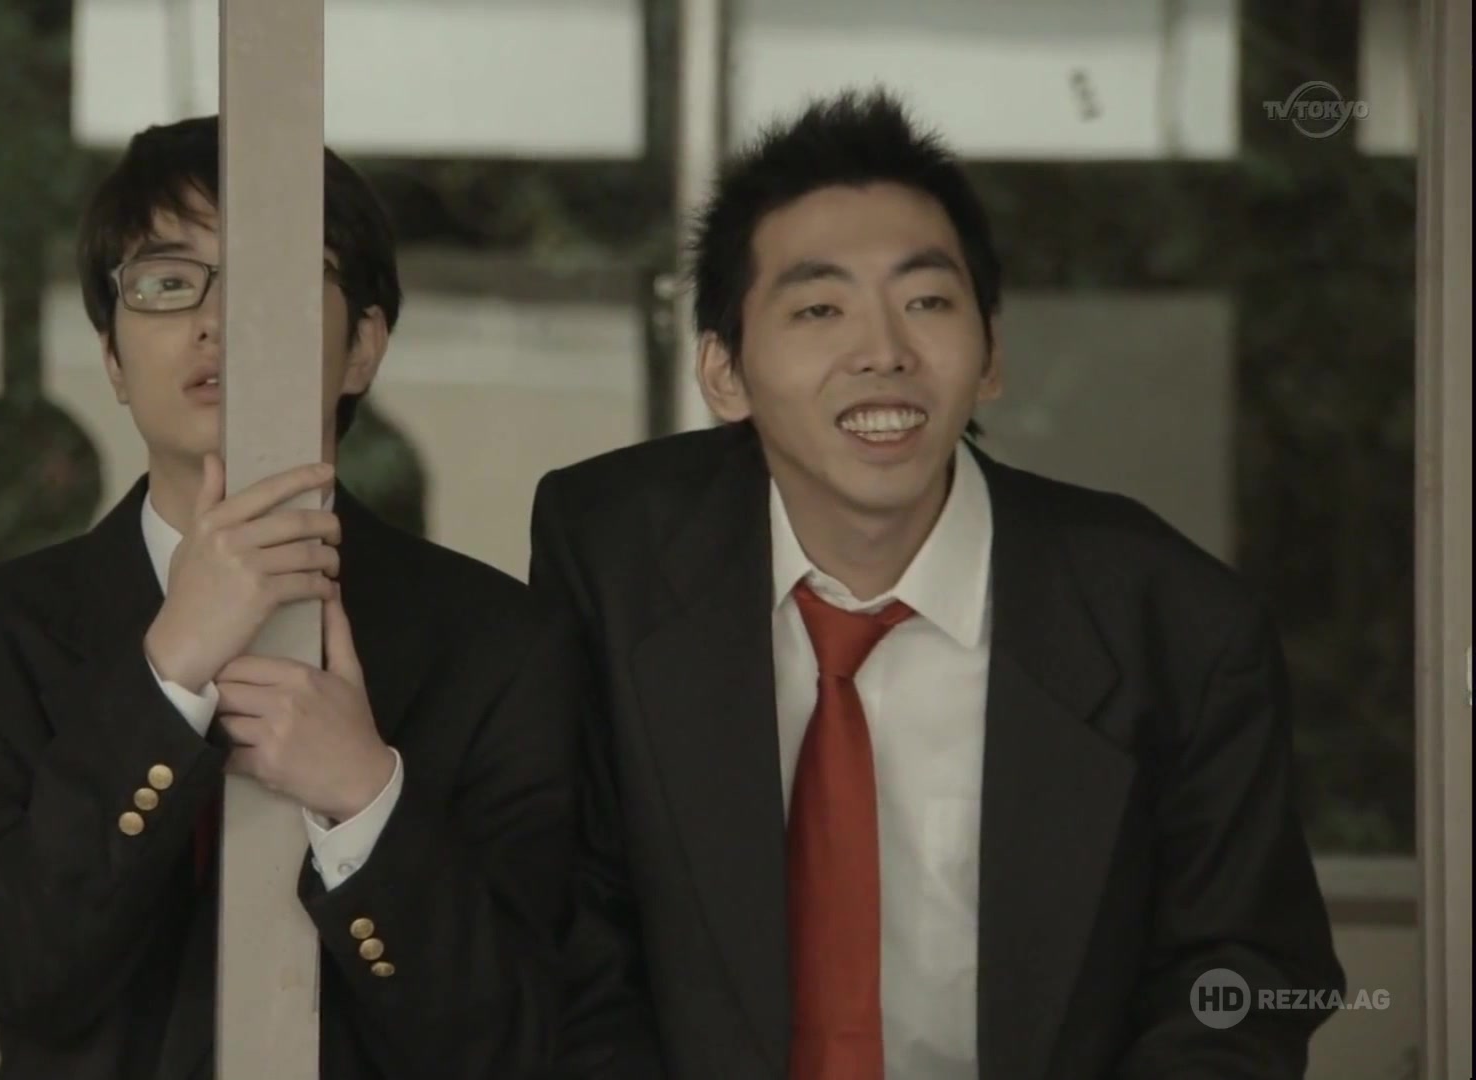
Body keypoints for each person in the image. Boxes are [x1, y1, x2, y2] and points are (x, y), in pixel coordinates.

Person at [533, 89, 1346, 1080]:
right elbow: (575, 929)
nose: (884, 352)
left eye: (927, 302)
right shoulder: (613, 555)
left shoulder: (1175, 620)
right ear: (724, 373)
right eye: (820, 309)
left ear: (991, 353)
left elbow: (1243, 971)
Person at [0, 115, 587, 1080]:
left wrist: (366, 799)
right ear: (113, 359)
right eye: (168, 283)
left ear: (363, 347)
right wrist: (169, 673)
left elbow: (509, 1042)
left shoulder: (505, 645)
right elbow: (11, 967)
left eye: (273, 277)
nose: (215, 321)